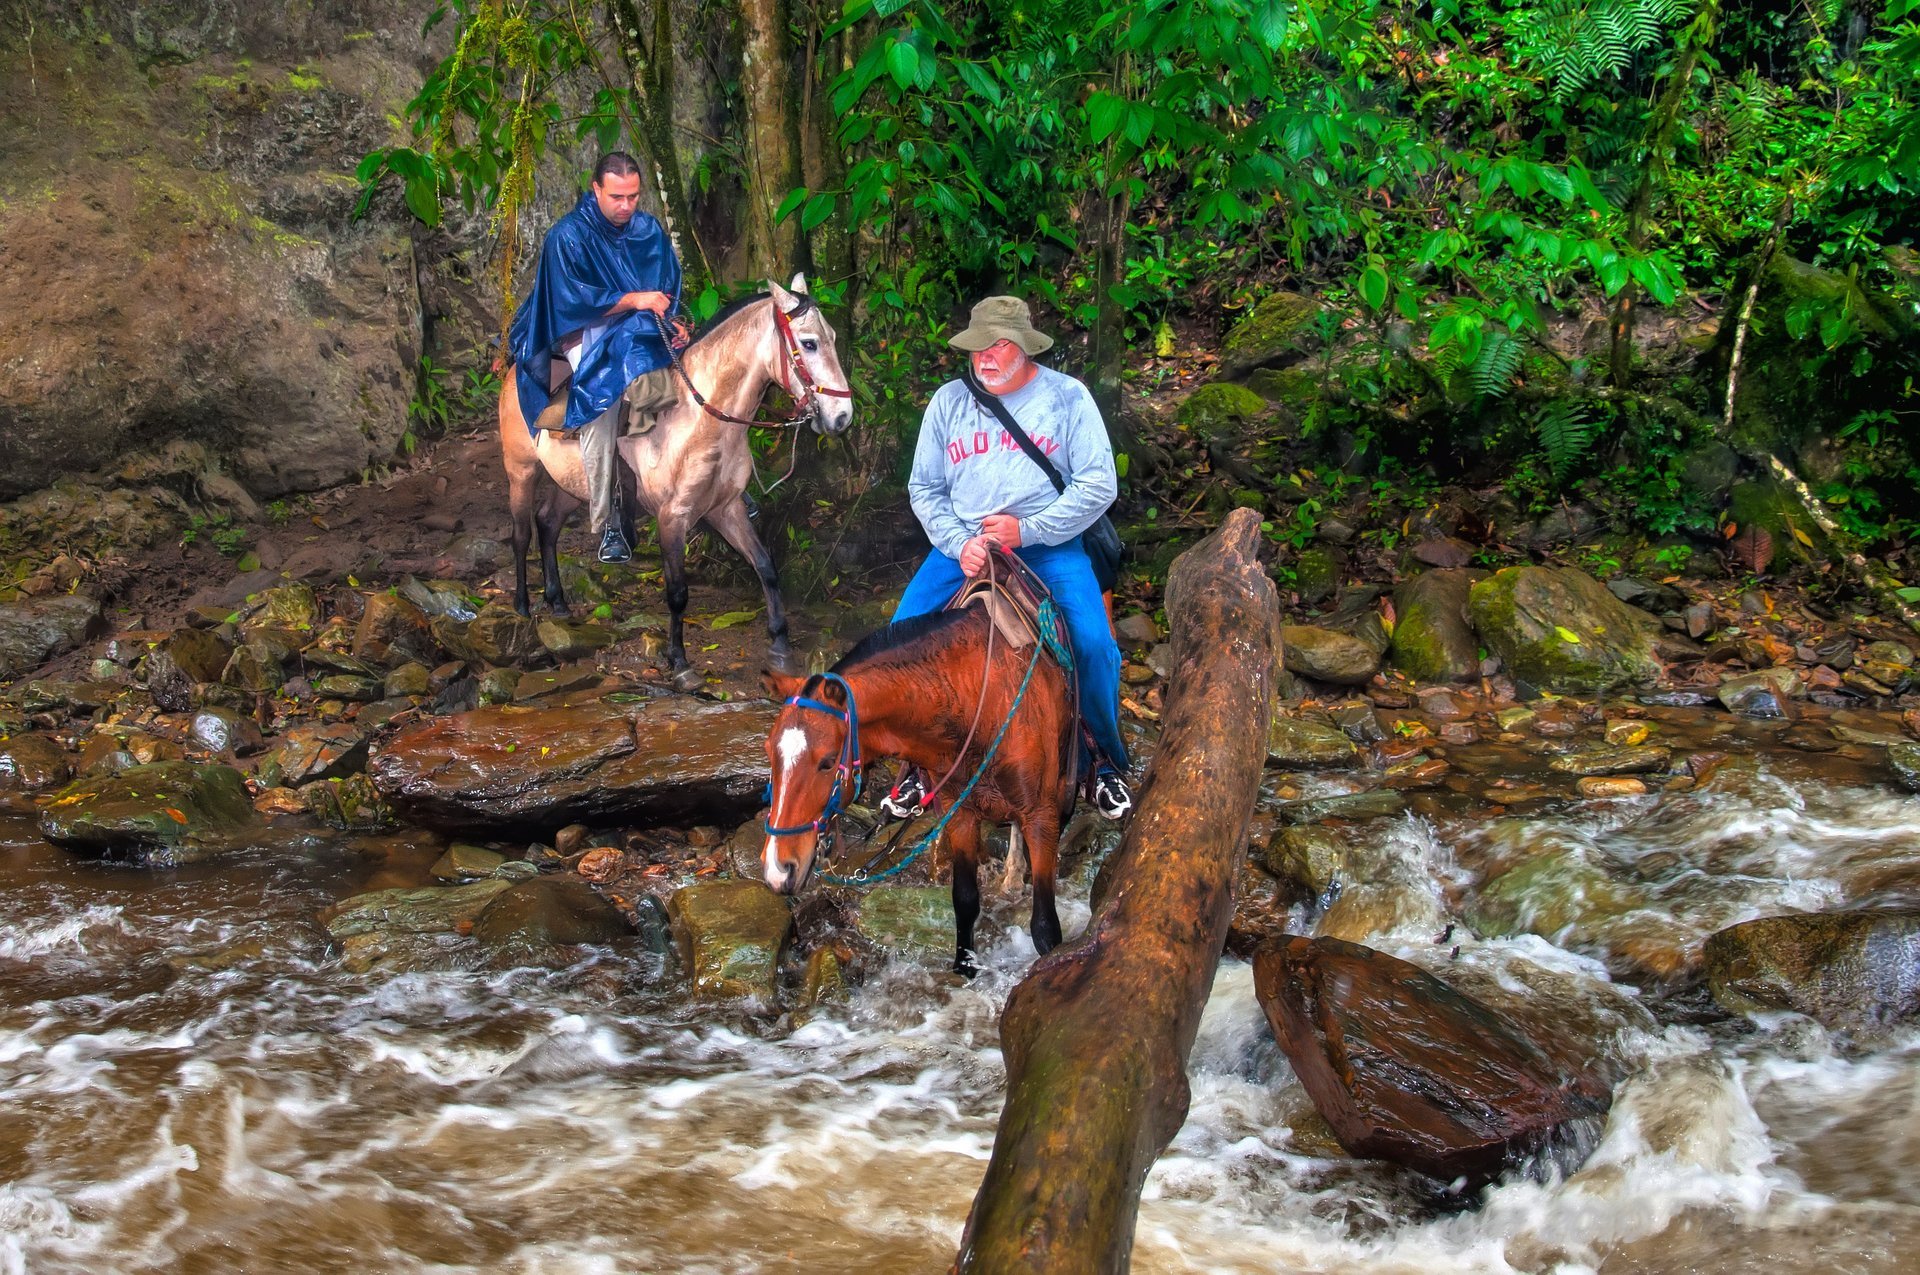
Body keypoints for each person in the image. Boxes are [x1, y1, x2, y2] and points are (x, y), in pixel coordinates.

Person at [884, 295, 1133, 821]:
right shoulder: (949, 401)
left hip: (1046, 544)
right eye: (978, 347)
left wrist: (1029, 529)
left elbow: (1098, 485)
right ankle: (917, 771)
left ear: (1024, 345)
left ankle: (1101, 763)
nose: (985, 357)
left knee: (1092, 644)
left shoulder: (1068, 399)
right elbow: (924, 488)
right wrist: (959, 542)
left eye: (998, 345)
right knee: (899, 641)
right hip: (963, 548)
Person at [507, 152, 684, 564]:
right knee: (601, 397)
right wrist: (636, 299)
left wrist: (673, 318)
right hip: (582, 328)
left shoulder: (648, 229)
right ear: (596, 190)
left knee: (697, 372)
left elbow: (668, 283)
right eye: (617, 197)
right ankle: (608, 524)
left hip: (640, 325)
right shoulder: (566, 236)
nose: (626, 207)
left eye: (634, 197)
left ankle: (714, 485)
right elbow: (570, 302)